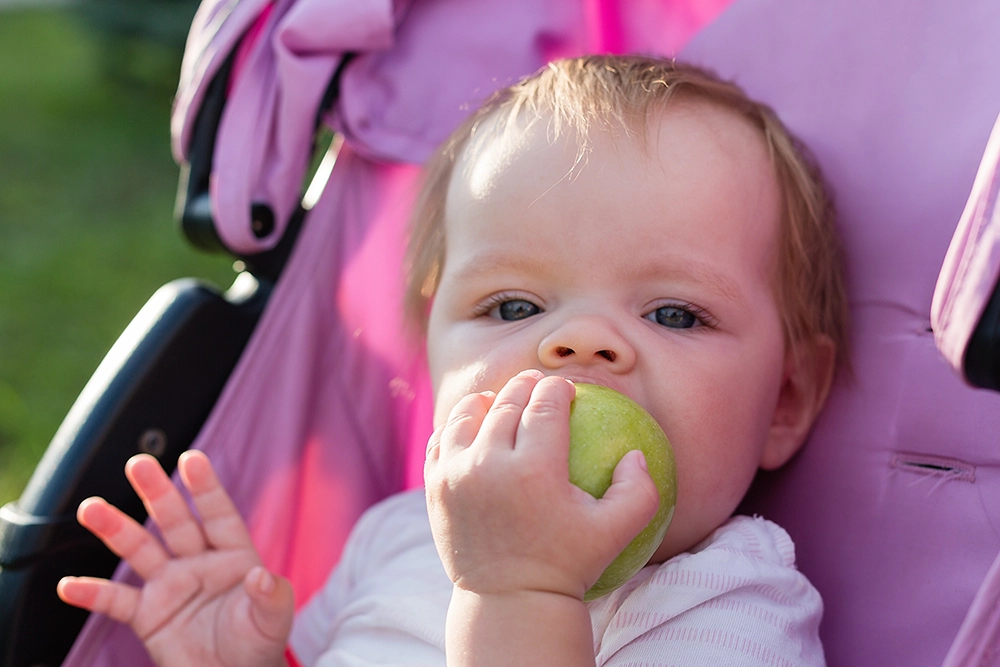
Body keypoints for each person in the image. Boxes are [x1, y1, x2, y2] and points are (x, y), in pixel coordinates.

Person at [57, 55, 849, 666]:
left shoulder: (734, 602)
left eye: (674, 313)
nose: (576, 344)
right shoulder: (398, 535)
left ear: (784, 399)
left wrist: (519, 591)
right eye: (513, 306)